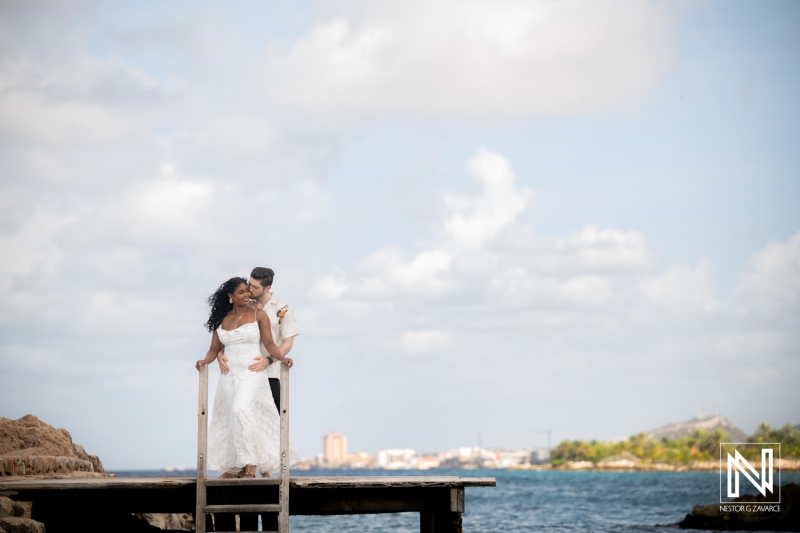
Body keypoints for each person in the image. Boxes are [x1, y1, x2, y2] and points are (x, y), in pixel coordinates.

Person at [195, 277, 301, 481]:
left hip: (252, 371)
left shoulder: (258, 315)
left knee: (240, 409)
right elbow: (213, 349)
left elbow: (269, 343)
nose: (246, 295)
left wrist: (281, 358)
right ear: (230, 296)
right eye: (241, 292)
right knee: (229, 416)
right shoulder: (222, 319)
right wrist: (204, 361)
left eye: (247, 291)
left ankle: (251, 464)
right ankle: (235, 466)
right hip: (229, 374)